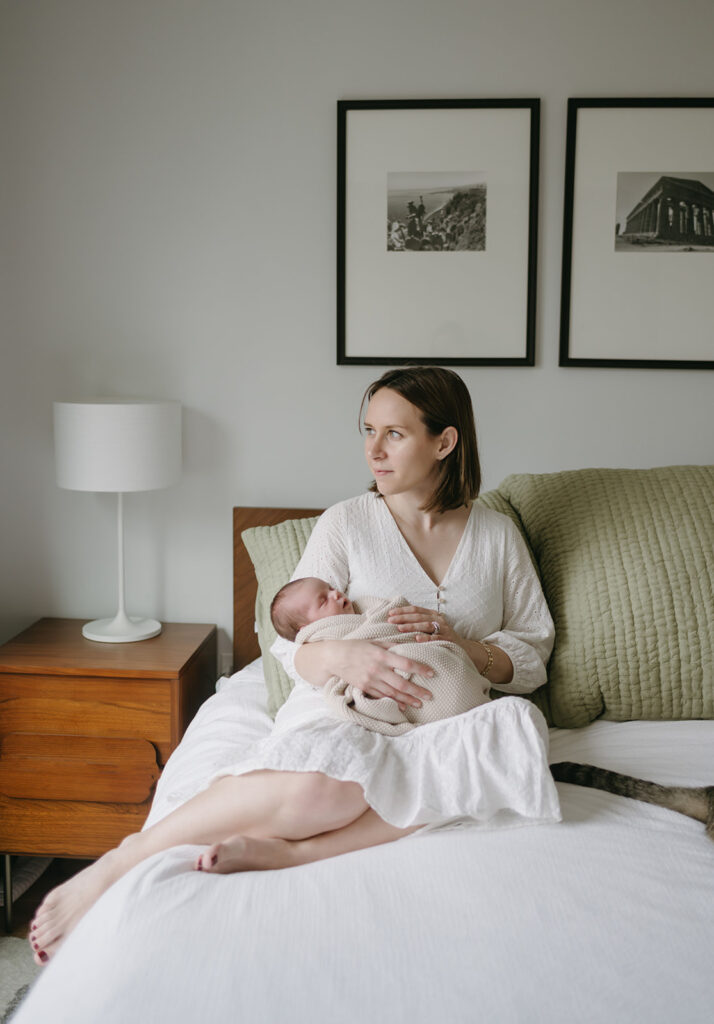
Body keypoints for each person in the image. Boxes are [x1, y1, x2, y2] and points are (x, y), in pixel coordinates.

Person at [28, 366, 559, 967]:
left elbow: (531, 649)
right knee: (321, 791)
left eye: (395, 434)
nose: (373, 450)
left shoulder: (497, 535)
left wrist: (465, 647)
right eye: (368, 430)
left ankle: (293, 854)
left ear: (445, 442)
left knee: (512, 744)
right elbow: (294, 636)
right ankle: (124, 860)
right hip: (348, 705)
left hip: (444, 715)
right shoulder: (347, 523)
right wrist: (343, 654)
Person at [270, 576, 491, 733]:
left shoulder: (368, 608)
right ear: (306, 628)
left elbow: (391, 617)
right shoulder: (320, 638)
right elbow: (300, 659)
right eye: (323, 600)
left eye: (330, 588)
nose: (335, 593)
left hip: (434, 658)